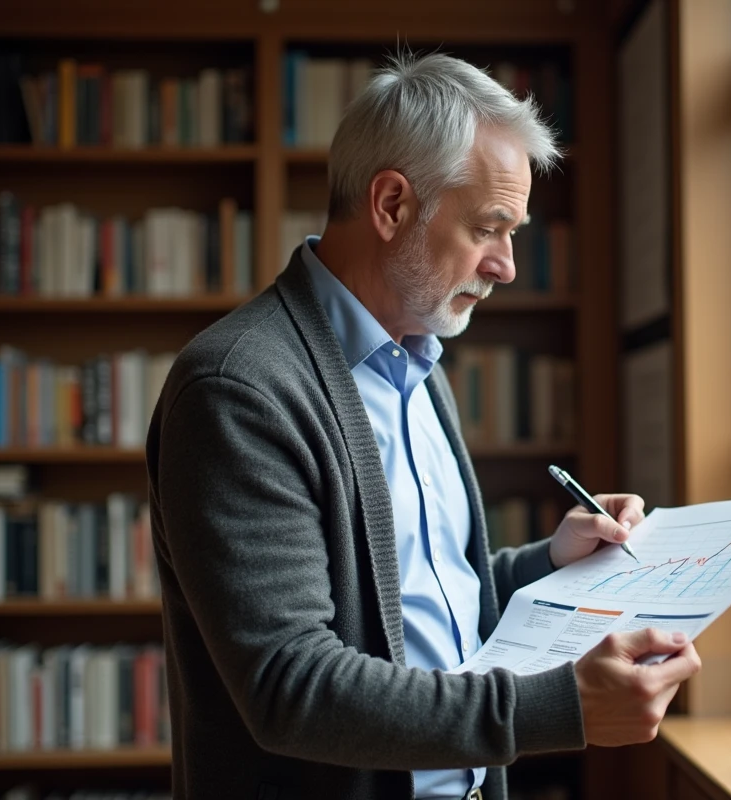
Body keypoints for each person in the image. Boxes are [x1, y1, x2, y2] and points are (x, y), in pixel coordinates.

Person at [146, 52, 702, 800]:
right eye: (489, 227)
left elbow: (420, 606)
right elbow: (292, 685)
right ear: (392, 206)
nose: (506, 266)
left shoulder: (419, 364)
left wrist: (551, 562)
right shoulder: (238, 388)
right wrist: (559, 707)